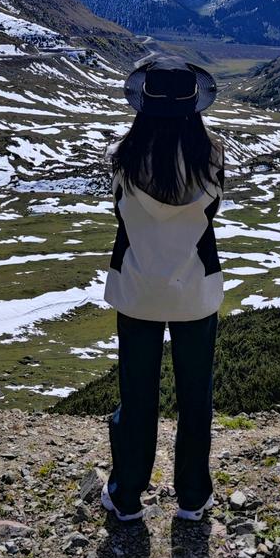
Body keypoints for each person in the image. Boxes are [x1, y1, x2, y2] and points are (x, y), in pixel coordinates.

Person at [100, 54, 225, 523]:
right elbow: (211, 214)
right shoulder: (212, 155)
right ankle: (193, 497)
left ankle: (127, 494)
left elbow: (120, 213)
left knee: (137, 394)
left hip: (136, 288)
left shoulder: (122, 156)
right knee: (195, 395)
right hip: (195, 288)